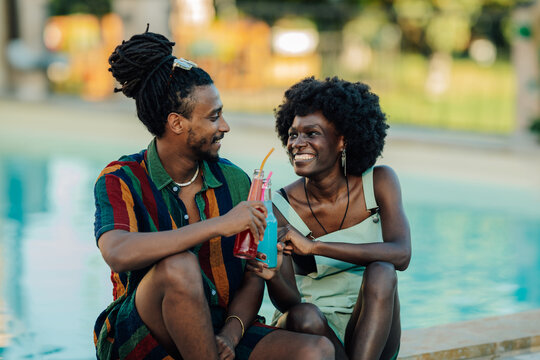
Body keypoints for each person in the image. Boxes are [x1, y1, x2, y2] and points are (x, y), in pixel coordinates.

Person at [93, 29, 335, 360]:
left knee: (316, 352)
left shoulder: (234, 181)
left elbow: (254, 272)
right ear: (177, 123)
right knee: (179, 267)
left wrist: (231, 335)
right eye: (213, 116)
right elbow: (117, 251)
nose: (225, 126)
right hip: (143, 332)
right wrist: (218, 225)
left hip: (219, 325)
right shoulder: (122, 178)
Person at [247, 77, 411, 360]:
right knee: (305, 315)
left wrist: (315, 247)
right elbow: (289, 302)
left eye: (311, 133)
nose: (297, 143)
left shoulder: (379, 181)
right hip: (311, 330)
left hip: (374, 323)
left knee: (382, 271)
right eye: (293, 134)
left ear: (342, 141)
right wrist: (272, 275)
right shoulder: (279, 208)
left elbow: (401, 255)